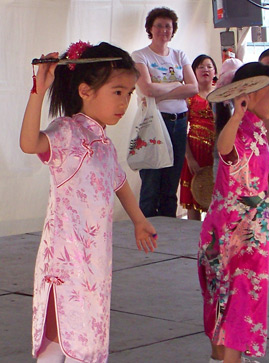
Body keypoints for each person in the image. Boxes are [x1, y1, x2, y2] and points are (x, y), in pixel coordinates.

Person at [20, 41, 158, 363]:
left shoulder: (105, 143)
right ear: (85, 90)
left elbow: (119, 184)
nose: (125, 102)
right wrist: (38, 92)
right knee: (61, 331)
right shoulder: (66, 132)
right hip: (65, 258)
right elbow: (30, 143)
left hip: (95, 260)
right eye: (117, 91)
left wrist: (139, 220)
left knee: (88, 329)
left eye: (129, 93)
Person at [198, 62, 269, 363]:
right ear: (251, 91)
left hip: (250, 232)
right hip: (233, 234)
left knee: (231, 297)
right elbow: (225, 150)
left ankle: (222, 358)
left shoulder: (257, 131)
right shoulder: (240, 129)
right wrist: (237, 114)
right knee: (234, 296)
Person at [132, 7, 198, 218]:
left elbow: (193, 87)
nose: (163, 30)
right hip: (154, 121)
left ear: (173, 30)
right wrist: (177, 85)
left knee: (171, 181)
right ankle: (146, 229)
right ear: (150, 28)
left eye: (168, 26)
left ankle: (169, 230)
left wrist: (164, 90)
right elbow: (147, 89)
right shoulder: (140, 55)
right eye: (159, 25)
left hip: (179, 121)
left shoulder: (180, 55)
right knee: (152, 179)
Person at [179, 54, 217, 220]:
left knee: (215, 199)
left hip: (216, 154)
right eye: (201, 67)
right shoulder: (189, 97)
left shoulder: (222, 95)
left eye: (209, 66)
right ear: (194, 72)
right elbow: (182, 129)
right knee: (193, 199)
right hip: (195, 153)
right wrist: (190, 158)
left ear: (215, 71)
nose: (205, 70)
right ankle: (192, 238)